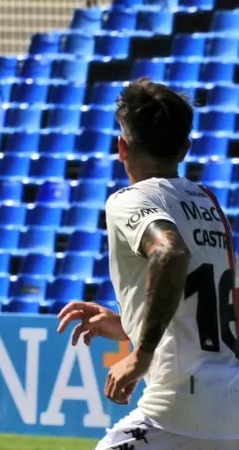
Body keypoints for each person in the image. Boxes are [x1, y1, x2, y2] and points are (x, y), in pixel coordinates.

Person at [57, 78, 239, 450]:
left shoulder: (128, 200)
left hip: (180, 402)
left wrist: (141, 353)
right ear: (185, 148)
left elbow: (170, 253)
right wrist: (131, 326)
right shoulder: (208, 204)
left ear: (121, 146)